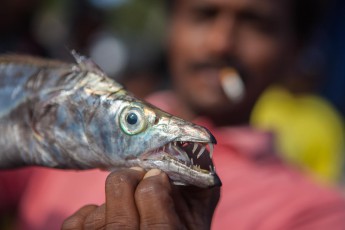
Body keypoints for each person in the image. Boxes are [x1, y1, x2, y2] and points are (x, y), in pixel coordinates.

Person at [2, 0, 345, 229]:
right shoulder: (61, 126)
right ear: (171, 26)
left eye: (256, 24)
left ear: (296, 48)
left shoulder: (322, 213)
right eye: (203, 14)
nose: (219, 43)